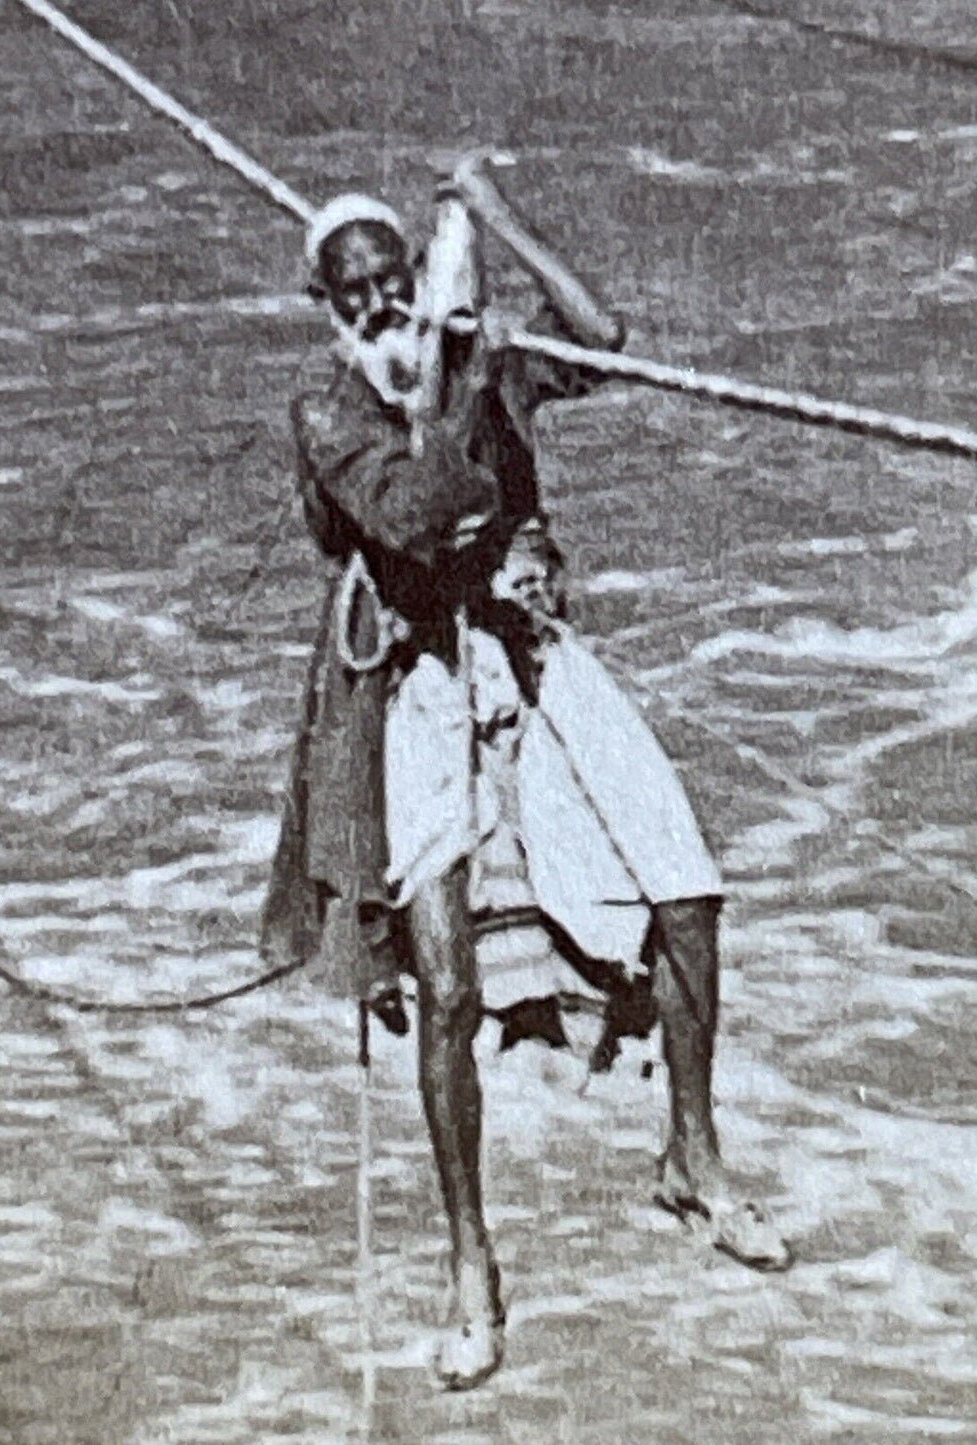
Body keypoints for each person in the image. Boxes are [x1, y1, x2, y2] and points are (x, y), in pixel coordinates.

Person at [261, 156, 791, 1392]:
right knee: (444, 987)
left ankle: (692, 1159)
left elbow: (602, 341)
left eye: (396, 280)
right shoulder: (326, 410)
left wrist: (490, 226)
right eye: (358, 295)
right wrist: (445, 365)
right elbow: (420, 516)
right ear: (326, 308)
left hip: (518, 650)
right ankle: (468, 1264)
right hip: (414, 679)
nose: (381, 307)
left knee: (684, 890)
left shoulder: (473, 353)